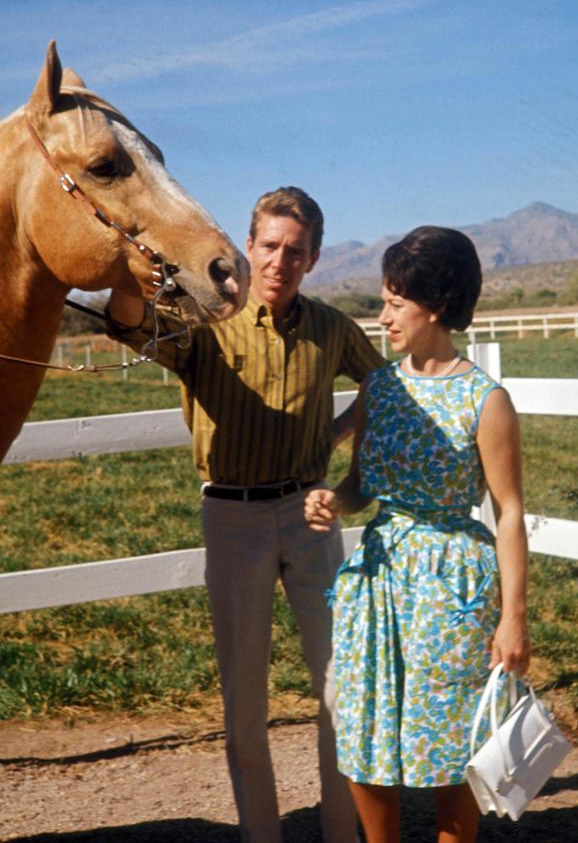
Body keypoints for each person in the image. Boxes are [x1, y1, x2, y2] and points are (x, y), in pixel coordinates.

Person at [106, 186, 384, 843]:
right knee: (244, 703)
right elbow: (126, 324)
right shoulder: (205, 318)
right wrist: (123, 274)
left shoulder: (331, 328)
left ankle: (342, 834)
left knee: (341, 692)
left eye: (295, 250)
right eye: (269, 246)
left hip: (312, 514)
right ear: (248, 245)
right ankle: (262, 835)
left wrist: (337, 437)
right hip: (232, 520)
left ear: (312, 258)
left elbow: (386, 386)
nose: (280, 260)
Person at [305, 225, 530, 843]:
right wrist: (335, 500)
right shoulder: (379, 388)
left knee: (451, 738)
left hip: (451, 583)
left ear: (434, 305)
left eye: (394, 303)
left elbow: (509, 512)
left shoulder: (486, 401)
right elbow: (361, 486)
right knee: (363, 725)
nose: (382, 318)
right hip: (377, 580)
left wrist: (514, 617)